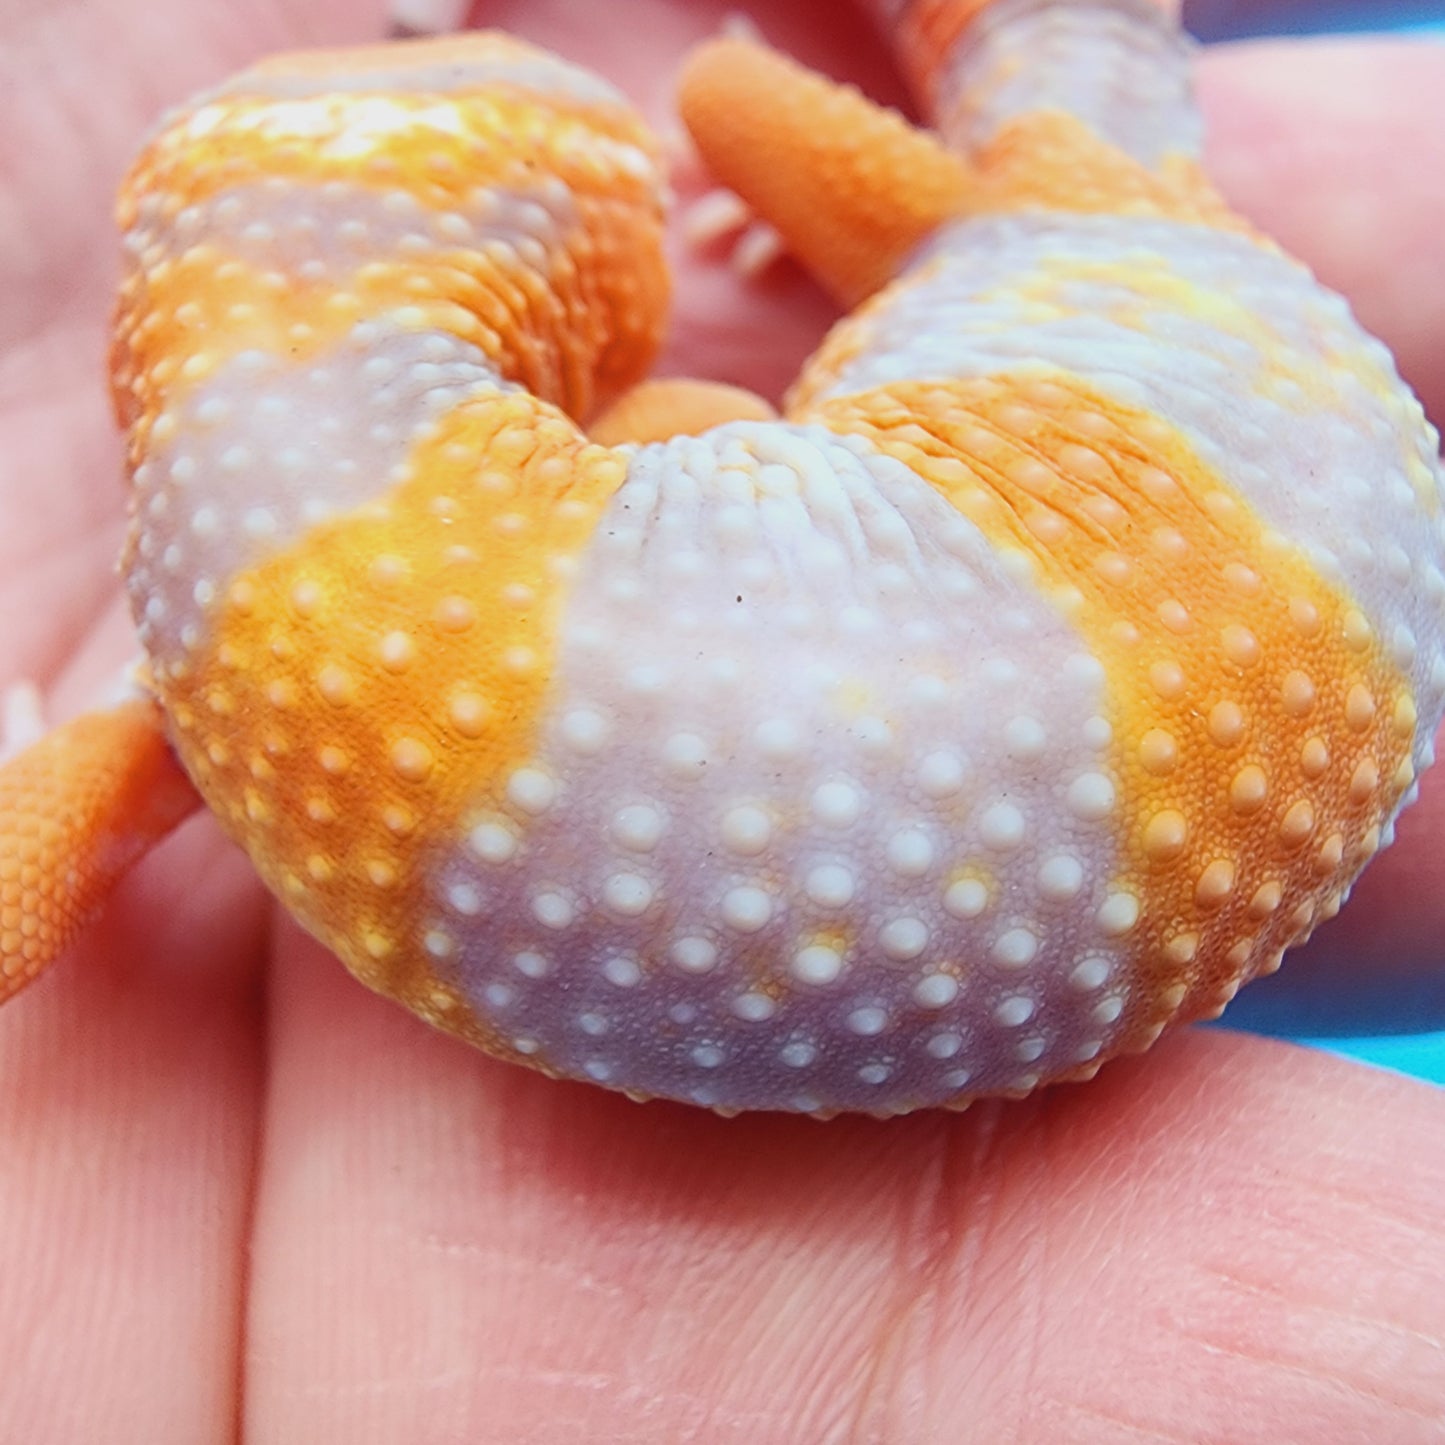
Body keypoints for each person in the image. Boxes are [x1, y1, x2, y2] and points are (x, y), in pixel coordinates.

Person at [1, 0, 1442, 1438]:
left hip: (1190, 508)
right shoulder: (300, 619)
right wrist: (728, 97)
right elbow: (688, 347)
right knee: (744, 88)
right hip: (1274, 492)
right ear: (555, 293)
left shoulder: (221, 641)